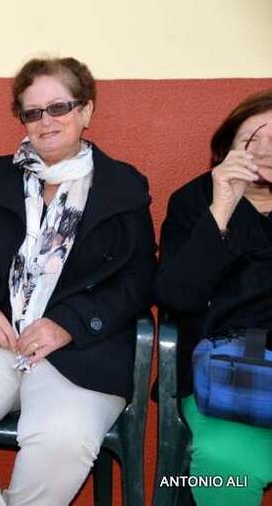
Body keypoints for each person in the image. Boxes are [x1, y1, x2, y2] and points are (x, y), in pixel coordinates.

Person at [0, 57, 156, 505]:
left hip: (82, 351)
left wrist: (69, 324)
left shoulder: (123, 187)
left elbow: (139, 281)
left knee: (63, 438)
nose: (47, 121)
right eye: (33, 112)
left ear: (86, 110)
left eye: (59, 107)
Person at [155, 90, 272, 506]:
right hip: (231, 373)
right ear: (226, 150)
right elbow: (177, 297)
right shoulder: (195, 201)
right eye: (252, 139)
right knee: (227, 467)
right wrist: (221, 208)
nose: (266, 151)